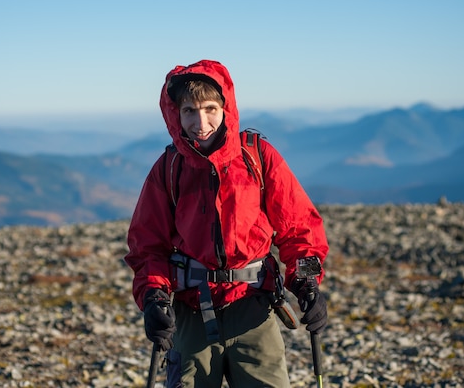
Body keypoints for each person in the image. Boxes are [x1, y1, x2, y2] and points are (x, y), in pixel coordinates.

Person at [125, 59, 329, 387]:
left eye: (210, 108)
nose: (200, 121)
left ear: (226, 108)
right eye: (189, 110)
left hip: (253, 307)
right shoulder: (168, 169)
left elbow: (298, 229)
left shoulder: (258, 156)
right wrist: (153, 297)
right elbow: (148, 246)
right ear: (175, 112)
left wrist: (306, 282)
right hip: (191, 309)